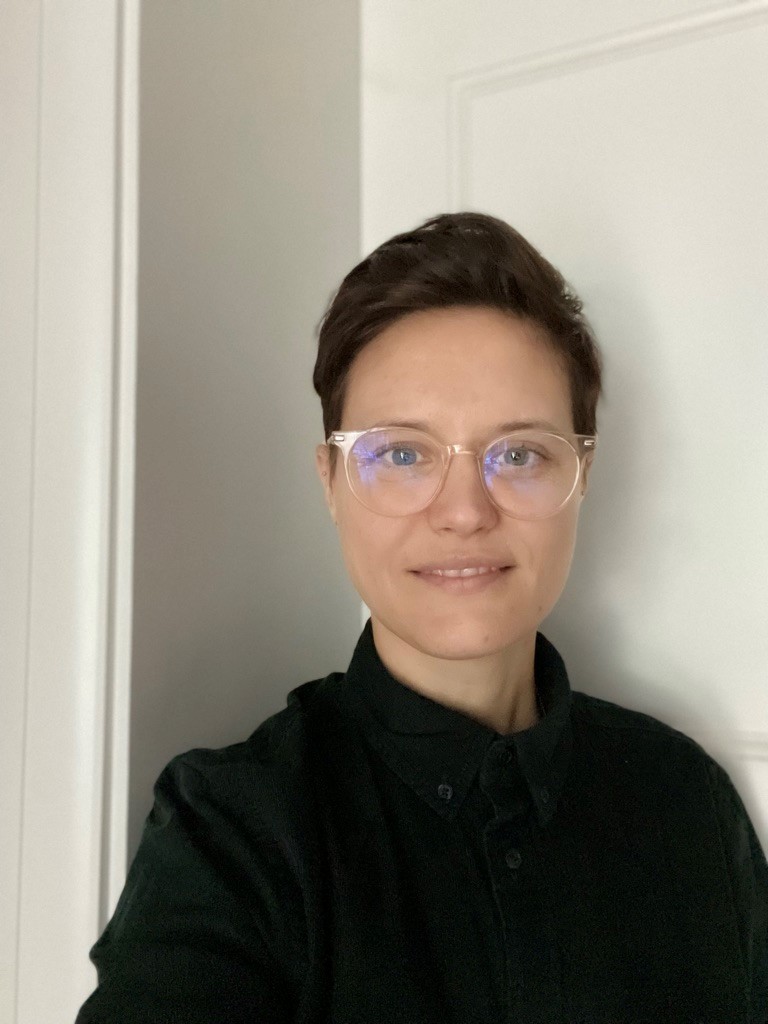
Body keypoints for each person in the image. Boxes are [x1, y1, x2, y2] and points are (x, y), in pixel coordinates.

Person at [75, 212, 768, 1022]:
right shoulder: (234, 835)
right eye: (401, 453)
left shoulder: (688, 805)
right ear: (331, 482)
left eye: (520, 453)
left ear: (581, 474)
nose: (465, 512)